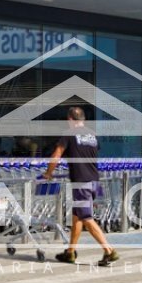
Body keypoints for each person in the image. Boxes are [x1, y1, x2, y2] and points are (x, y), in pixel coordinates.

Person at [42, 105, 118, 267]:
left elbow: (57, 153)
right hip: (94, 180)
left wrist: (48, 172)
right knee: (77, 216)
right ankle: (70, 252)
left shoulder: (69, 134)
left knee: (86, 218)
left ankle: (109, 251)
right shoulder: (92, 135)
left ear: (70, 119)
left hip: (81, 182)